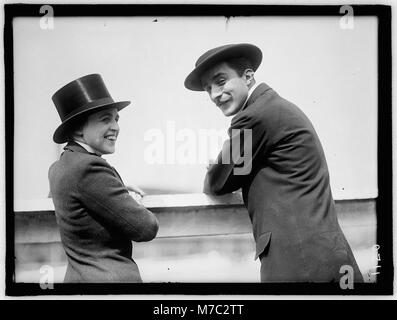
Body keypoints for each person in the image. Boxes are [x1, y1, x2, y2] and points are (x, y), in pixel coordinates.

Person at [184, 43, 363, 283]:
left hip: (298, 266)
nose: (215, 94)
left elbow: (218, 183)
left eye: (221, 81)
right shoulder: (275, 107)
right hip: (329, 259)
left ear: (248, 77)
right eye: (208, 88)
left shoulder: (254, 116)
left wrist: (214, 167)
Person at [49, 74, 159, 282]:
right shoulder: (90, 167)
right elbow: (146, 228)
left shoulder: (59, 167)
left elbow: (84, 193)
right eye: (105, 119)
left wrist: (117, 189)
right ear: (78, 129)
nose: (116, 127)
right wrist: (130, 199)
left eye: (116, 119)